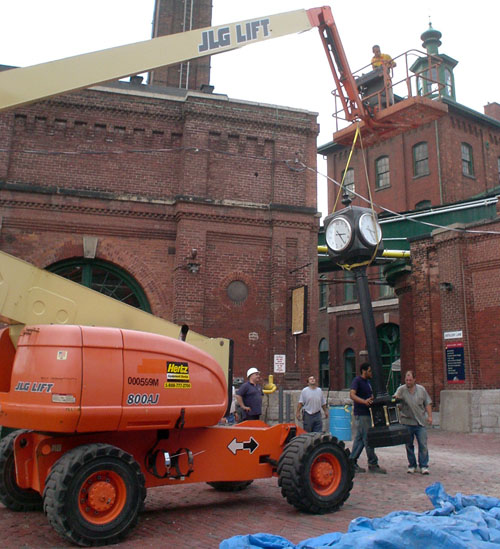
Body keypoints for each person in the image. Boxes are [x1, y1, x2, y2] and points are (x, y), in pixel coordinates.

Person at [349, 363, 386, 474]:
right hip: (361, 414)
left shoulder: (368, 383)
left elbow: (367, 397)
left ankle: (351, 462)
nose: (371, 373)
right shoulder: (357, 381)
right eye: (370, 371)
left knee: (360, 440)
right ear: (364, 371)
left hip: (367, 413)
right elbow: (352, 395)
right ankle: (373, 463)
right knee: (368, 438)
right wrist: (364, 401)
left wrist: (372, 399)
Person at [394, 370, 432, 474]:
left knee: (423, 444)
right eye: (406, 380)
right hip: (407, 422)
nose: (408, 382)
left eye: (410, 380)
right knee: (408, 445)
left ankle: (424, 465)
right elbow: (395, 398)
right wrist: (396, 398)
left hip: (420, 422)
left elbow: (427, 403)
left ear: (414, 380)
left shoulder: (421, 390)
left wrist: (430, 416)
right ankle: (412, 465)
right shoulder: (401, 389)